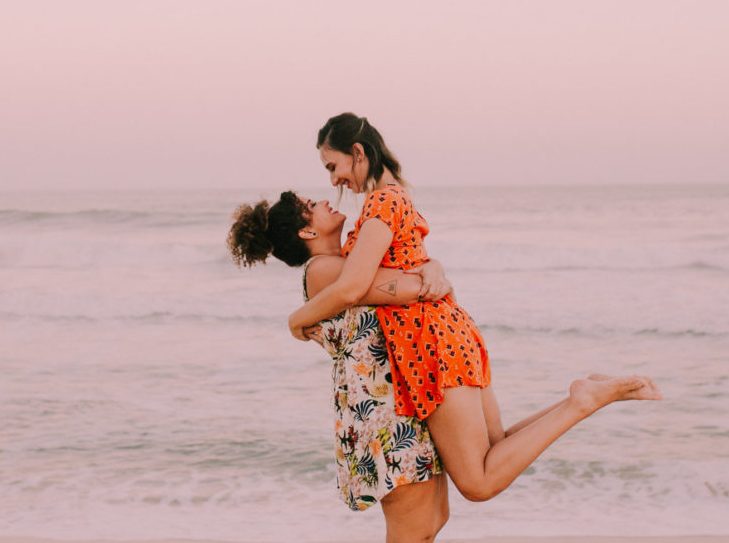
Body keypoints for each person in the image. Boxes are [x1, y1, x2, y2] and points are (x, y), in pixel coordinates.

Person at [287, 112, 662, 505]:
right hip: (450, 331)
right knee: (495, 448)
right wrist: (433, 268)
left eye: (333, 166)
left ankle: (582, 401)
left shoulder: (381, 201)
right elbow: (403, 267)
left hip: (427, 341)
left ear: (358, 153)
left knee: (478, 482)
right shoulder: (396, 196)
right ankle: (586, 394)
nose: (333, 180)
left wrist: (297, 319)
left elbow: (350, 287)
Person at [228, 192, 450, 543]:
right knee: (414, 532)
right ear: (306, 232)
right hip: (383, 415)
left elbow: (414, 273)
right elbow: (410, 287)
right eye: (311, 206)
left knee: (433, 521)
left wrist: (433, 266)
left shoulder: (346, 264)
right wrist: (431, 272)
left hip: (395, 403)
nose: (323, 202)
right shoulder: (324, 270)